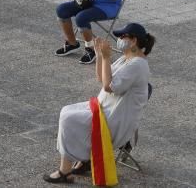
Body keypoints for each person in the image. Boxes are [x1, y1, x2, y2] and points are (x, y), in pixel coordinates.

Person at [45, 23, 153, 183]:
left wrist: (107, 56)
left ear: (134, 40)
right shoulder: (127, 58)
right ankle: (84, 160)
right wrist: (100, 56)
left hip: (115, 118)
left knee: (69, 119)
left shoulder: (137, 65)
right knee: (67, 110)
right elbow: (101, 78)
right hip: (105, 109)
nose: (119, 39)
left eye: (123, 37)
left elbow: (108, 86)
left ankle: (65, 172)